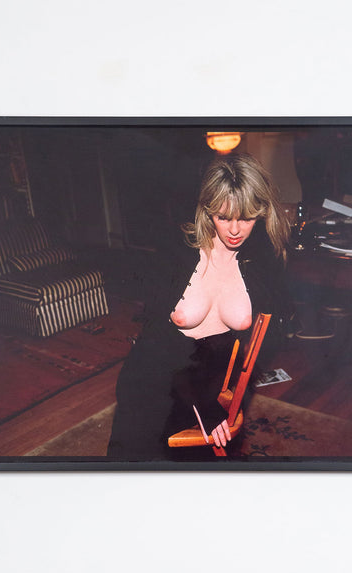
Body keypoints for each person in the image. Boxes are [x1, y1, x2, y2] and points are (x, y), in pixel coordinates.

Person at [107, 153, 291, 460]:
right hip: (156, 379)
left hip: (210, 384)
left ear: (260, 213)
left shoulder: (262, 261)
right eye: (223, 217)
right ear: (207, 212)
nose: (235, 229)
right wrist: (204, 405)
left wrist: (214, 399)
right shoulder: (176, 251)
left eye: (246, 218)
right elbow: (157, 344)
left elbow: (270, 336)